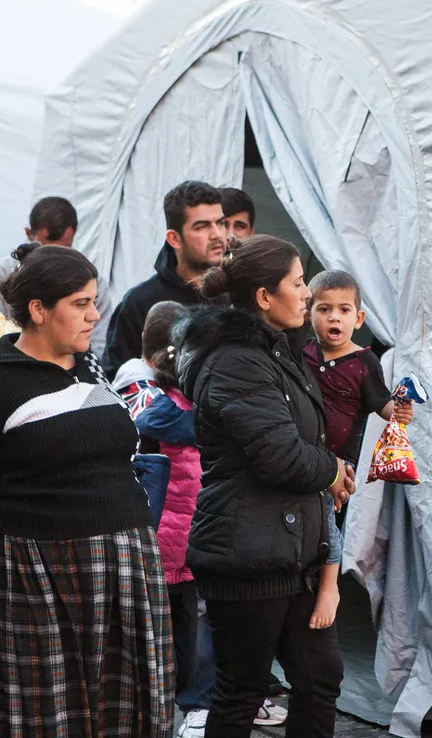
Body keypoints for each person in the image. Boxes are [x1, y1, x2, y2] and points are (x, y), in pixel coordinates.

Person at [0, 242, 173, 737]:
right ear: (38, 310)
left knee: (119, 710)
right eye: (80, 303)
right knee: (39, 717)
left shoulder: (89, 368)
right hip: (32, 574)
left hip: (122, 569)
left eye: (94, 301)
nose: (94, 314)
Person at [177, 234, 353, 738]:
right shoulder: (236, 361)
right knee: (241, 694)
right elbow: (281, 457)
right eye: (298, 284)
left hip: (293, 551)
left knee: (320, 680)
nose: (306, 294)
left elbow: (300, 444)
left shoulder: (275, 352)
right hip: (247, 555)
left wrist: (328, 465)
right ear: (263, 298)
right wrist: (333, 469)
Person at [131, 302, 288, 737]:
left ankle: (179, 704)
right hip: (185, 541)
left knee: (177, 629)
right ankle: (189, 705)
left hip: (178, 542)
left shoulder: (168, 412)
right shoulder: (193, 409)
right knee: (188, 631)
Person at [302, 271, 414, 629]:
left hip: (339, 464)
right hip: (302, 453)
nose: (334, 317)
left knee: (325, 523)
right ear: (309, 313)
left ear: (359, 318)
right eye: (324, 309)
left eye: (344, 310)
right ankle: (301, 580)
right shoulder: (302, 352)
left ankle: (329, 587)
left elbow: (382, 405)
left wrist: (400, 411)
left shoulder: (364, 363)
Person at [103, 181, 227, 377]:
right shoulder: (139, 303)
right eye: (202, 226)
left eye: (220, 223)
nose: (217, 234)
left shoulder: (239, 293)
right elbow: (118, 380)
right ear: (174, 239)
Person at [0, 197, 111, 326]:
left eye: (64, 249)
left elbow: (98, 344)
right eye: (44, 248)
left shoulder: (92, 283)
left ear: (74, 232)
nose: (53, 258)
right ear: (29, 234)